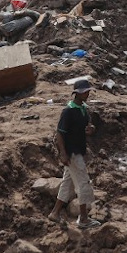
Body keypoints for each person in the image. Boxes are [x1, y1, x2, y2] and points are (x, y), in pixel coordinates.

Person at [48, 79, 101, 228]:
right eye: (85, 92)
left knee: (68, 183)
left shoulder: (83, 108)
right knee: (83, 183)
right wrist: (63, 154)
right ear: (76, 94)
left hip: (79, 150)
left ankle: (54, 213)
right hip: (72, 153)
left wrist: (91, 129)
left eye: (88, 91)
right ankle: (83, 218)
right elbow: (59, 133)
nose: (88, 94)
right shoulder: (68, 111)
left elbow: (88, 127)